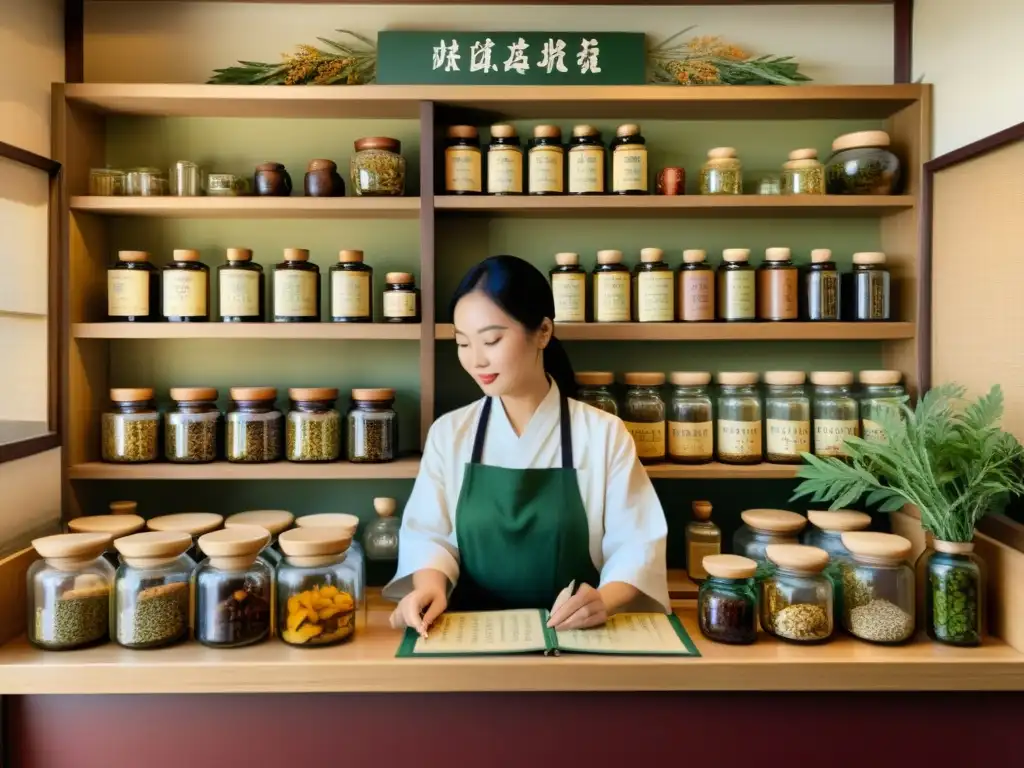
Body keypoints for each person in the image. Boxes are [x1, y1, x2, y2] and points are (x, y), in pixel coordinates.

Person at [384, 255, 669, 636]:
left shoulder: (604, 434)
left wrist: (605, 600)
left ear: (544, 332)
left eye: (491, 340)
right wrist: (429, 587)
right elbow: (428, 535)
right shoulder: (449, 433)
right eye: (463, 343)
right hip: (469, 633)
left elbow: (636, 544)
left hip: (576, 636)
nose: (475, 359)